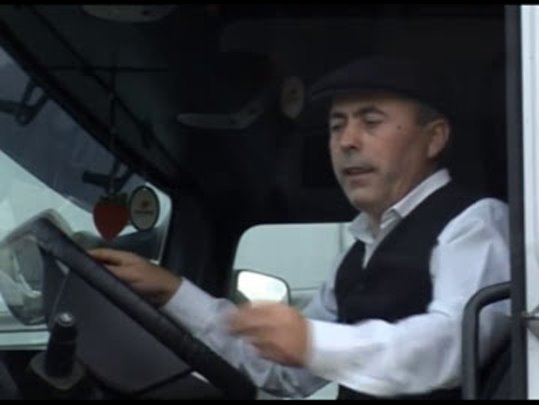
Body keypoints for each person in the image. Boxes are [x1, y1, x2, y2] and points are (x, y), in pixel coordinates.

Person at [89, 56, 511, 400]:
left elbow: (452, 344)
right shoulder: (354, 257)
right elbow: (283, 372)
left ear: (434, 138)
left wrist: (311, 342)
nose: (346, 141)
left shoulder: (475, 222)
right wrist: (172, 292)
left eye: (371, 121)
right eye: (336, 126)